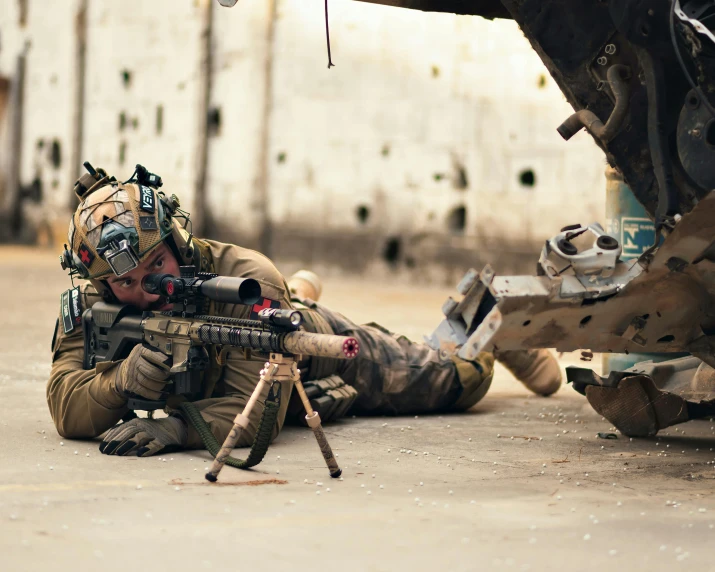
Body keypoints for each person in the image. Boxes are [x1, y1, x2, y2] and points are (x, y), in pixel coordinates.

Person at [48, 164, 563, 457]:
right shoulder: (97, 303)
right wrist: (119, 383)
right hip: (269, 312)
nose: (145, 290)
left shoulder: (245, 275)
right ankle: (301, 290)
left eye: (155, 265)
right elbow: (64, 404)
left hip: (312, 348)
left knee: (451, 379)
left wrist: (177, 428)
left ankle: (491, 321)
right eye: (124, 283)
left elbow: (256, 416)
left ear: (175, 240)